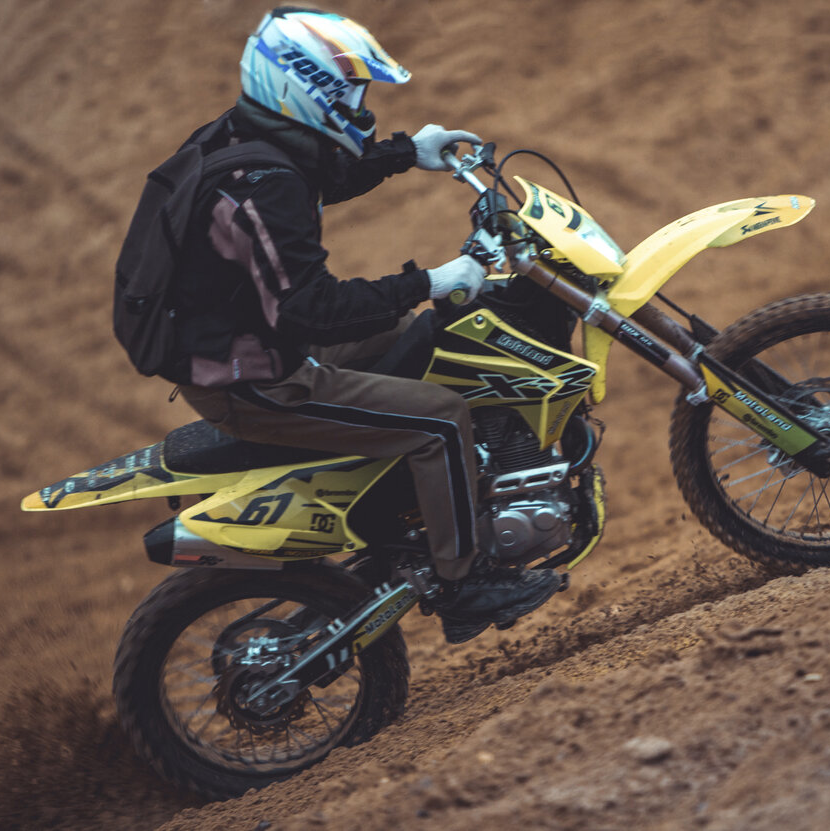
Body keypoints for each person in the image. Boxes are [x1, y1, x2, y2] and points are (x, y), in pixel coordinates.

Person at [164, 7, 561, 643]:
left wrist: (406, 153)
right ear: (303, 87)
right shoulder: (266, 181)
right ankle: (463, 585)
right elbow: (314, 307)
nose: (358, 105)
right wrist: (433, 279)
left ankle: (411, 508)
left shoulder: (239, 139)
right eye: (348, 91)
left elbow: (312, 178)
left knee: (418, 333)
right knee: (441, 420)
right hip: (258, 376)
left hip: (244, 343)